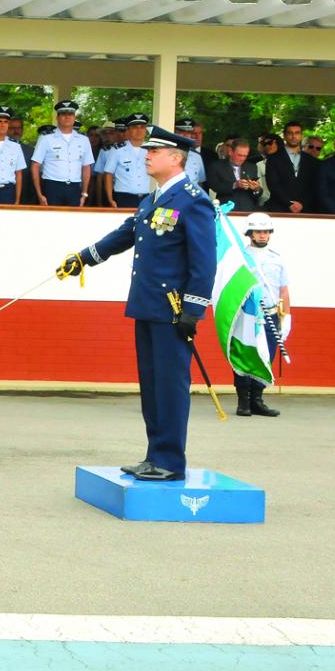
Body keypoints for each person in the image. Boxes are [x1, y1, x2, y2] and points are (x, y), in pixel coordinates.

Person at [57, 126, 214, 481]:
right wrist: (84, 258)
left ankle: (171, 462)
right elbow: (126, 234)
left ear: (175, 159)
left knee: (171, 385)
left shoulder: (193, 200)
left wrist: (194, 308)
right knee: (152, 383)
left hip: (174, 310)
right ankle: (154, 454)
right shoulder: (154, 199)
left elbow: (204, 260)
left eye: (154, 152)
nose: (146, 155)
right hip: (147, 304)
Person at [238, 212, 286, 418]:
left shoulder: (277, 258)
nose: (263, 235)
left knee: (267, 356)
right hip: (248, 314)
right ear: (250, 233)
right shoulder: (240, 256)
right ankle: (243, 401)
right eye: (258, 231)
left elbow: (283, 289)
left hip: (271, 313)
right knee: (245, 354)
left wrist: (288, 317)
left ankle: (257, 399)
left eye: (266, 231)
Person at [31, 100, 93, 207]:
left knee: (73, 221)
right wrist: (39, 194)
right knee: (51, 220)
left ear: (74, 117)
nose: (67, 117)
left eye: (70, 114)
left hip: (74, 187)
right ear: (57, 118)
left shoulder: (83, 140)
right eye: (63, 114)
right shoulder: (46, 138)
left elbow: (86, 167)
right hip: (52, 186)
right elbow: (35, 165)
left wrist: (84, 193)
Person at [264, 120, 317, 215]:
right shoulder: (273, 158)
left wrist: (302, 203)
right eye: (290, 133)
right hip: (279, 208)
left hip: (306, 209)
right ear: (284, 135)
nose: (294, 136)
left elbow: (314, 186)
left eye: (297, 133)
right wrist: (288, 203)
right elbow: (273, 184)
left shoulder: (311, 160)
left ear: (301, 135)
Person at [103, 113, 151, 208]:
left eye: (142, 127)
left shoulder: (151, 149)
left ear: (146, 130)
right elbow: (108, 174)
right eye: (135, 127)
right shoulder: (117, 149)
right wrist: (110, 199)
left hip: (145, 197)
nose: (139, 130)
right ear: (128, 130)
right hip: (123, 197)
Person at [207, 138, 265, 213]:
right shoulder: (216, 166)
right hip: (226, 209)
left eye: (245, 156)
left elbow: (258, 194)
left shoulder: (252, 167)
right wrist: (235, 185)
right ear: (231, 152)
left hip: (248, 210)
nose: (242, 159)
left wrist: (256, 189)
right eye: (239, 155)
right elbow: (215, 186)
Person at [175, 119, 207, 185]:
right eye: (182, 132)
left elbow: (200, 182)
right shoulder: (167, 153)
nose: (186, 135)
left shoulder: (196, 156)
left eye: (189, 132)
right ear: (175, 133)